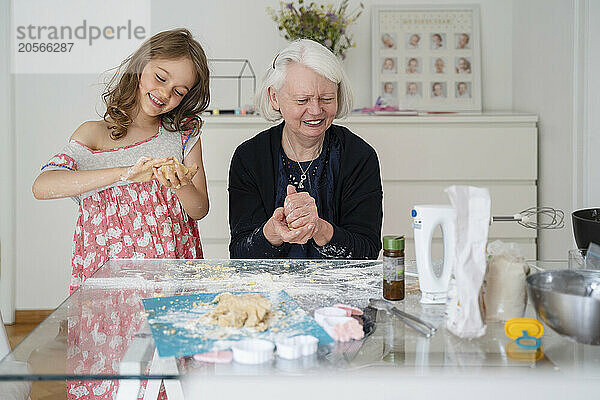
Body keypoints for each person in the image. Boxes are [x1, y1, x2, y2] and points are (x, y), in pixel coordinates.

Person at [32, 28, 210, 400]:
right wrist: (125, 173)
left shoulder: (183, 133)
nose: (165, 94)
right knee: (114, 371)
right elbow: (43, 185)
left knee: (169, 378)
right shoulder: (94, 135)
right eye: (161, 77)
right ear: (141, 65)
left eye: (179, 91)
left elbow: (199, 208)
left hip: (170, 279)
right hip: (110, 288)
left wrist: (178, 184)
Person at [228, 39, 383, 260]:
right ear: (274, 98)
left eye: (327, 98)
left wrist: (320, 228)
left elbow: (367, 251)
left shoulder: (359, 156)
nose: (315, 110)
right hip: (266, 292)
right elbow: (240, 253)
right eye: (302, 100)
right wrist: (273, 232)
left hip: (338, 290)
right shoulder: (249, 157)